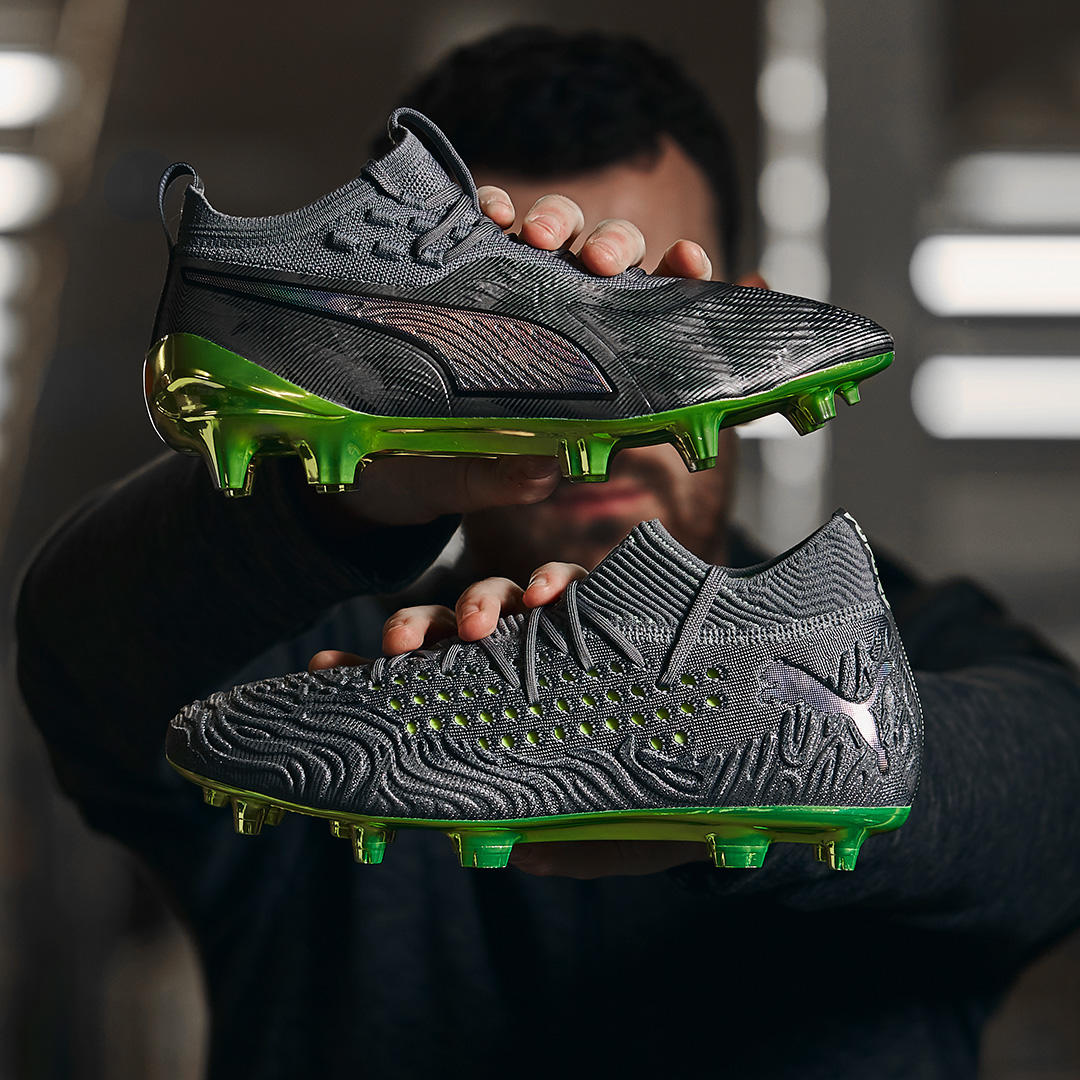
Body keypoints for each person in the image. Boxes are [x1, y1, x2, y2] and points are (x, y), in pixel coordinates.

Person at [14, 26, 1080, 1080]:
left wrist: (732, 722)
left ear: (737, 324)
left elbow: (1060, 801)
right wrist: (363, 477)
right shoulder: (316, 675)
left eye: (633, 303)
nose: (588, 409)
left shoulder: (911, 639)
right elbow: (81, 654)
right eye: (512, 330)